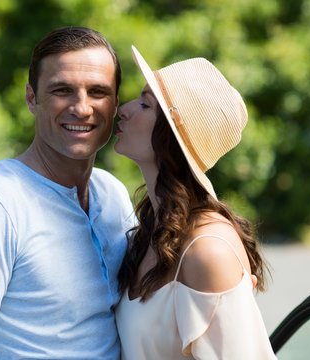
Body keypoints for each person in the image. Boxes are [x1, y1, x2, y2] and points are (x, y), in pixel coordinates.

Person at [0, 27, 135, 359]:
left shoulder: (112, 195)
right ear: (32, 98)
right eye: (63, 90)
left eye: (97, 92)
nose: (82, 107)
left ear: (115, 102)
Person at [113, 46, 277, 359]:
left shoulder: (207, 250)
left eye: (146, 104)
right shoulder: (152, 229)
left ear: (172, 137)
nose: (125, 108)